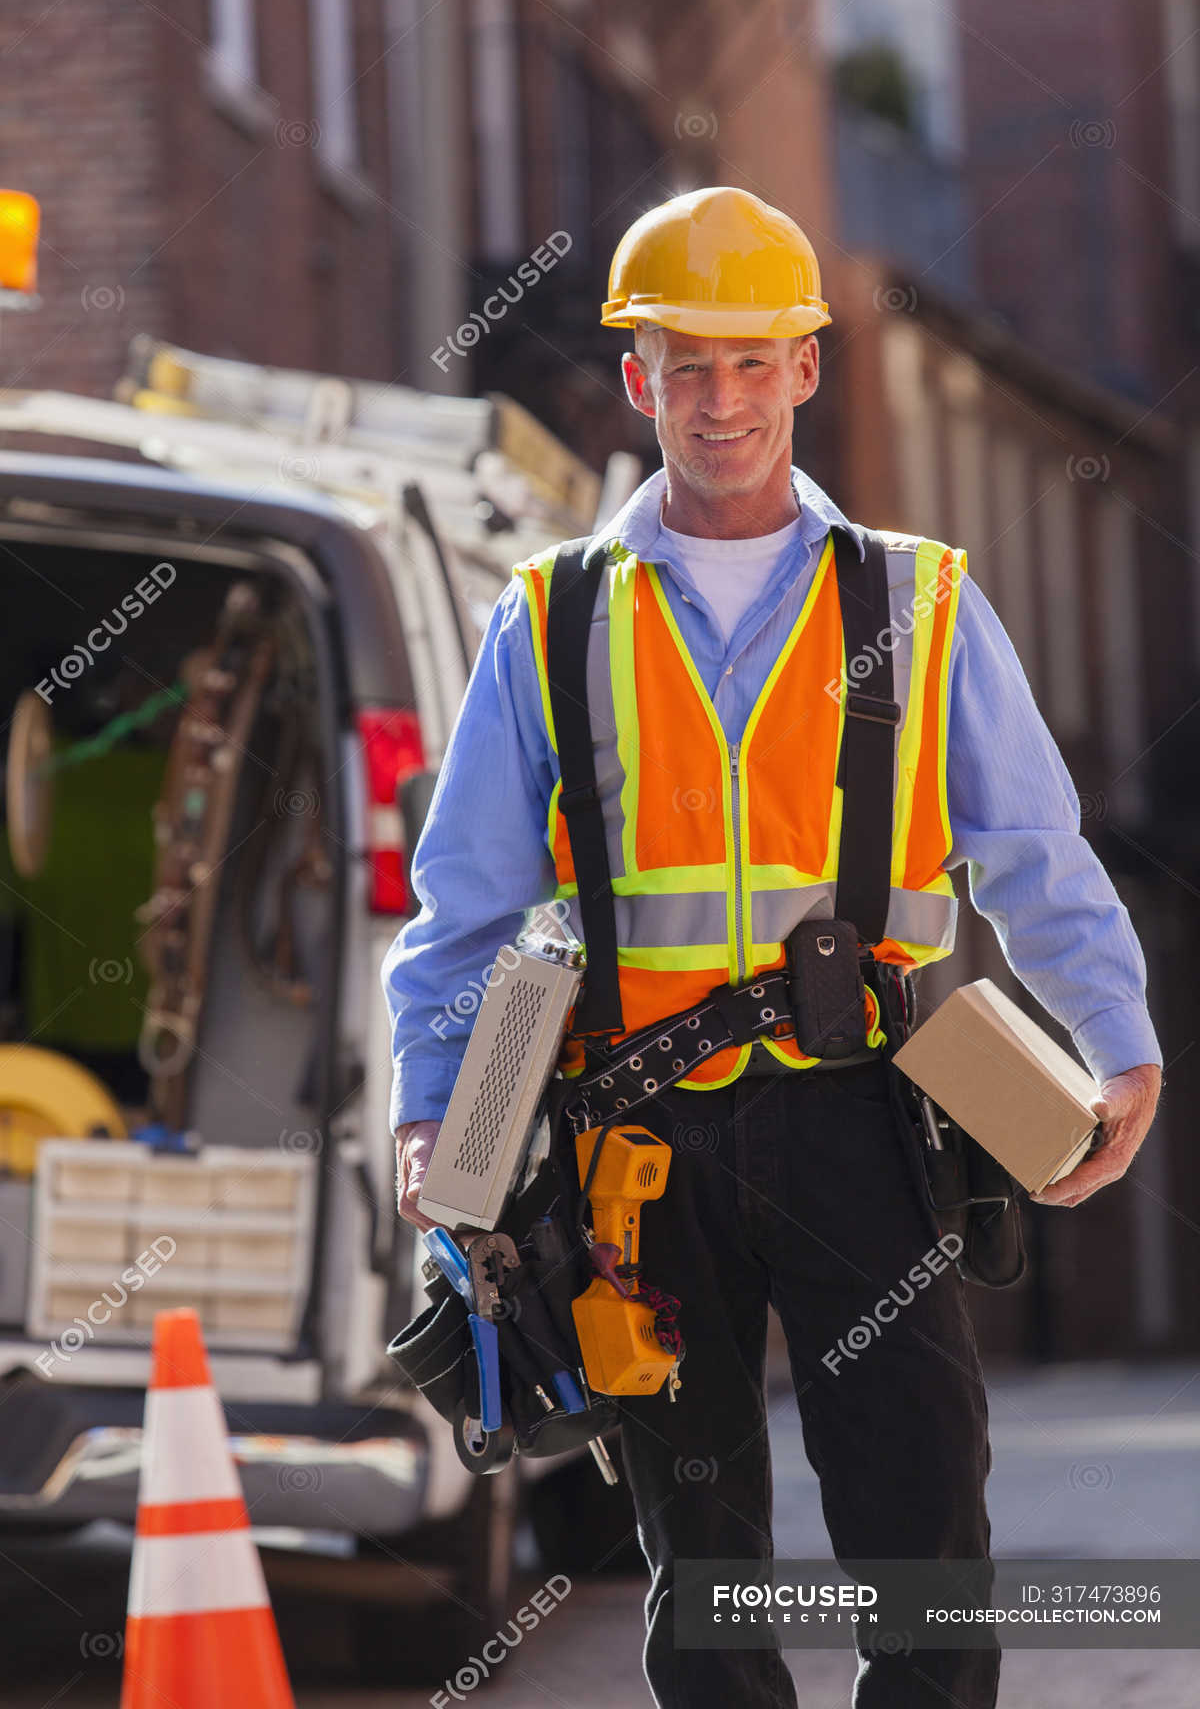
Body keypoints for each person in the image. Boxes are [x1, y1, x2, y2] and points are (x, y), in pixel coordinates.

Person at [381, 186, 1162, 1708]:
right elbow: (467, 905)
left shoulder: (916, 599)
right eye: (687, 364)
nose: (721, 399)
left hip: (870, 1113)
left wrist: (1116, 1038)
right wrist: (435, 1112)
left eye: (752, 363)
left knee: (926, 1530)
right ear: (637, 380)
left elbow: (1031, 851)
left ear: (807, 368)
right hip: (636, 1147)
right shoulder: (549, 619)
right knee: (706, 1568)